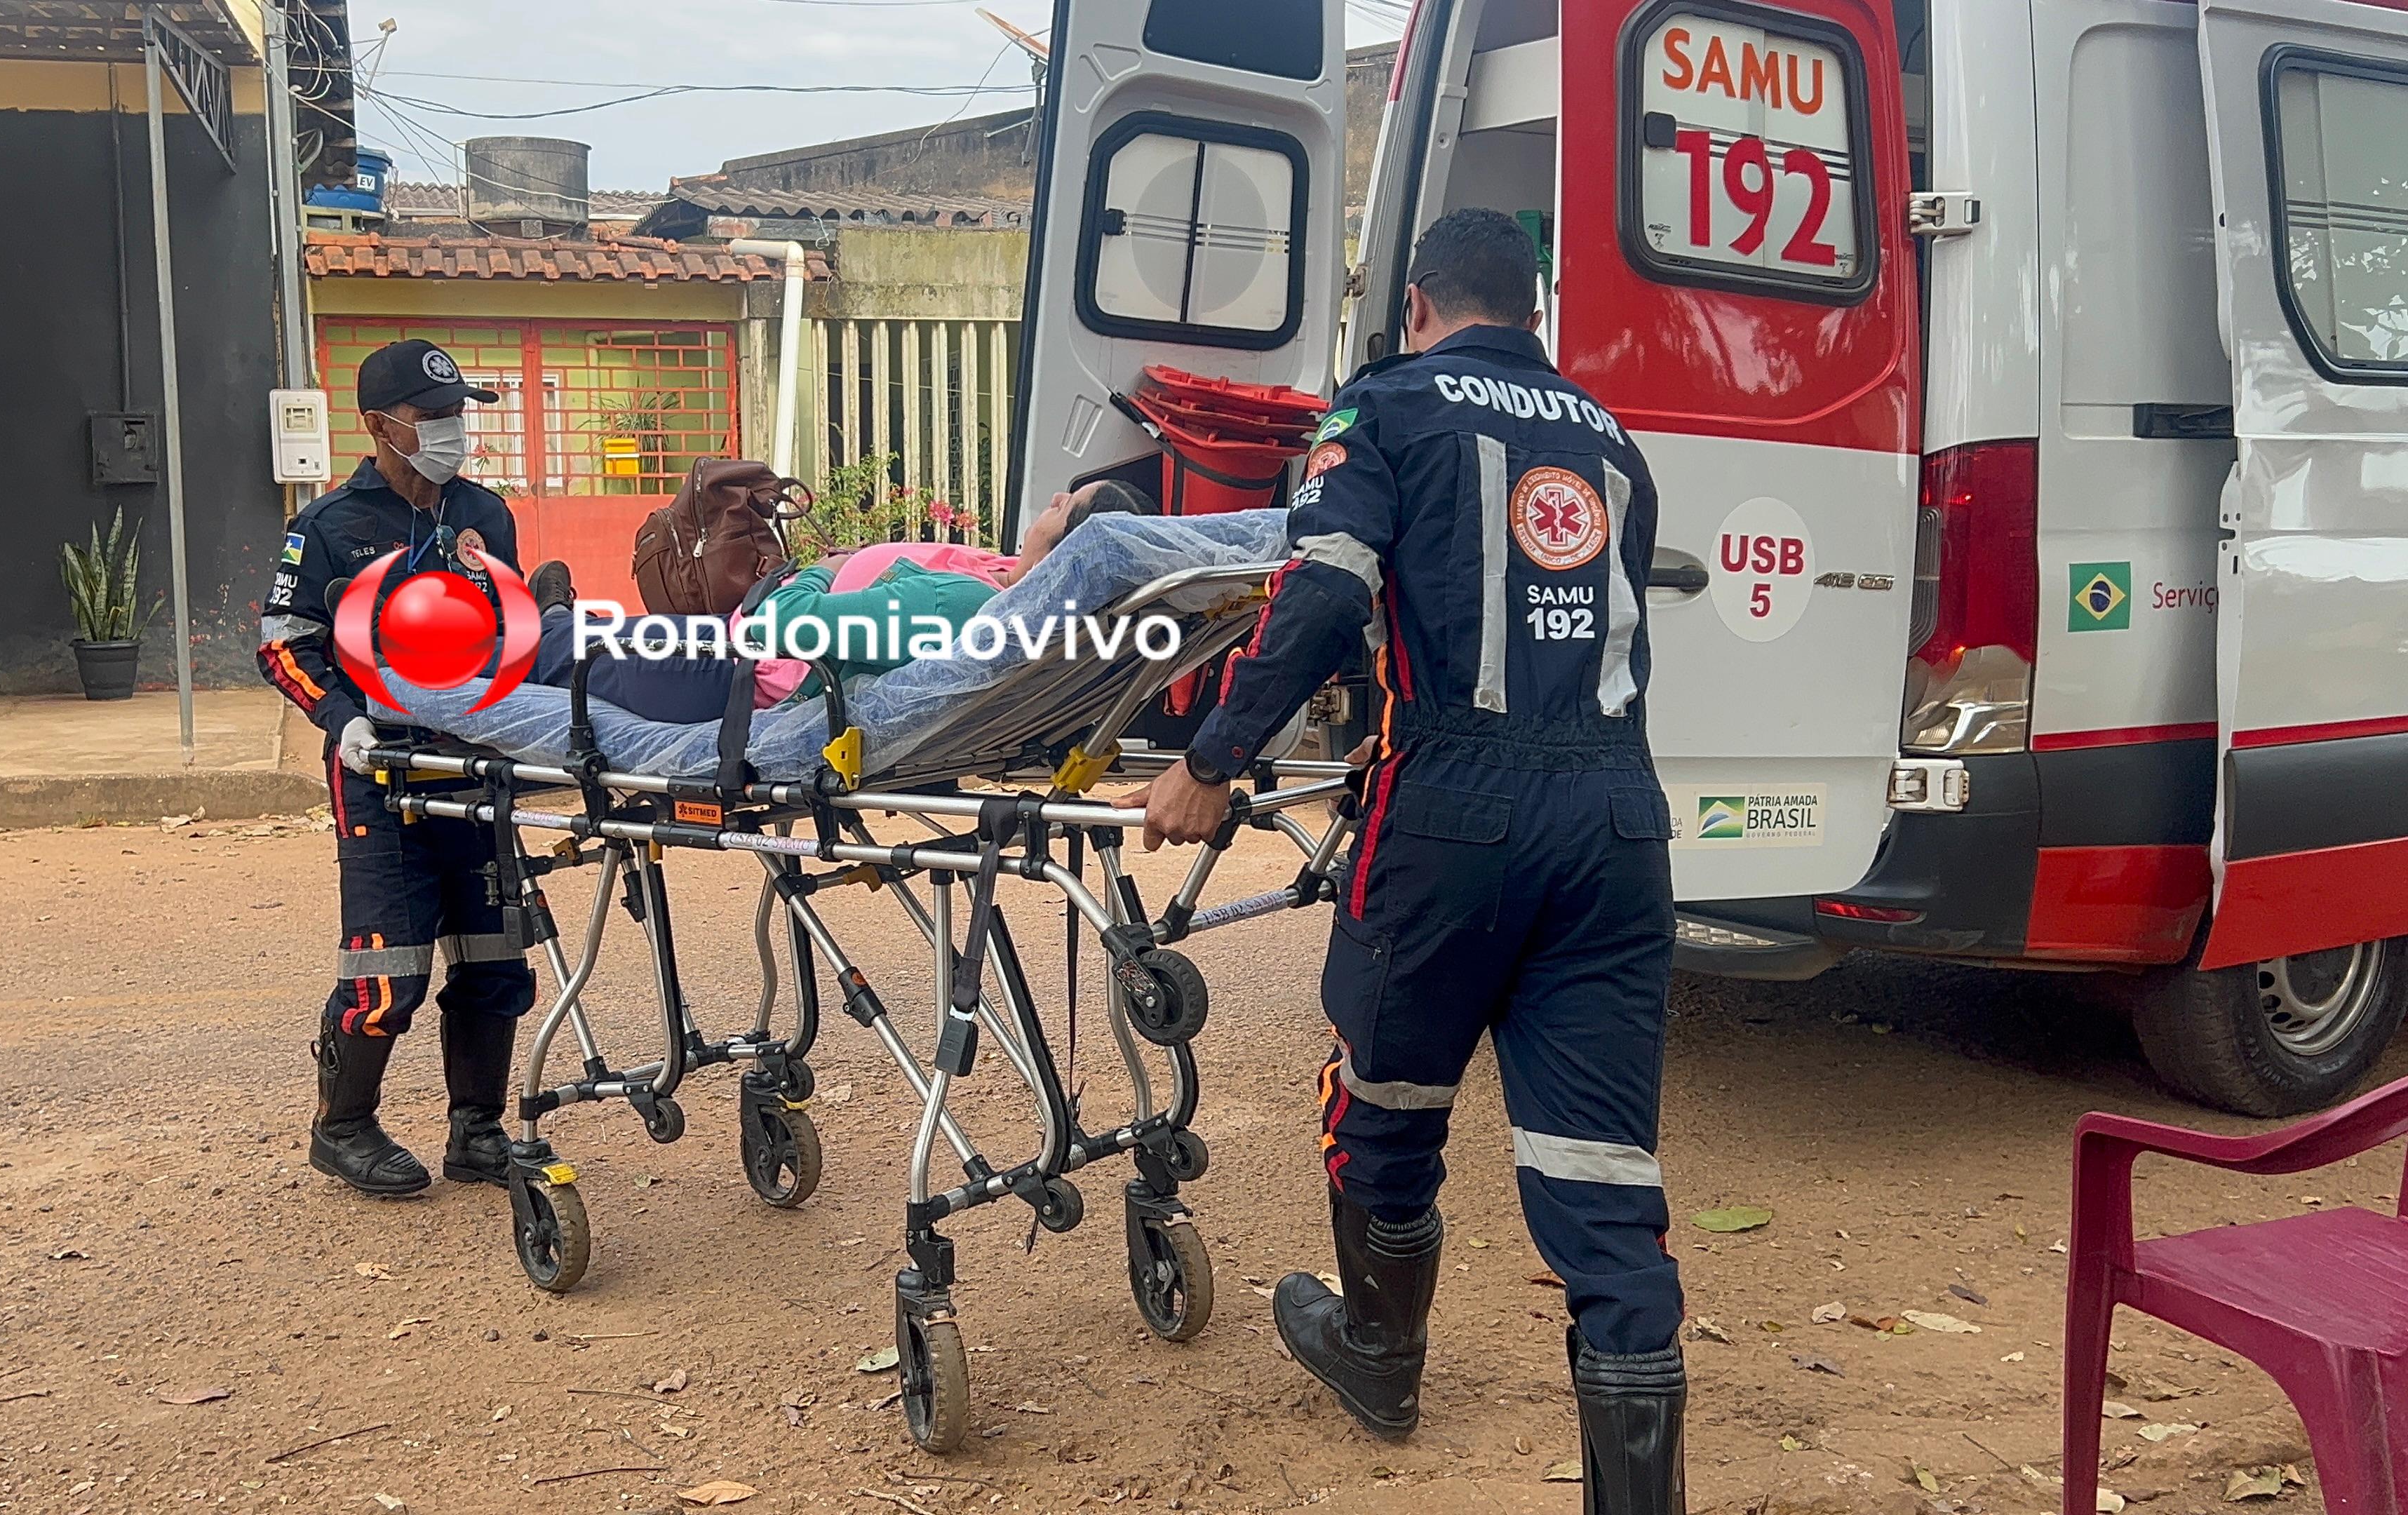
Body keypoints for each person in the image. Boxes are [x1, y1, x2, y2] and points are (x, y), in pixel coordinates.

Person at [1140, 209, 1688, 1509]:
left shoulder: (1383, 409)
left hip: (1453, 811)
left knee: (1384, 1102)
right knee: (1603, 1176)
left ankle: (1381, 1354)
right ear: (1532, 307)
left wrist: (1213, 758)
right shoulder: (1609, 438)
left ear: (1422, 307)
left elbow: (1325, 588)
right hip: (1619, 823)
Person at [257, 338, 535, 1199]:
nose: (454, 428)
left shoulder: (486, 515)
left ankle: (477, 1130)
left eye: (460, 413)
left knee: (496, 961)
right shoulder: (328, 528)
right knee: (387, 973)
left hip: (476, 770)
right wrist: (339, 719)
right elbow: (284, 645)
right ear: (380, 426)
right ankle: (343, 1127)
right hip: (379, 776)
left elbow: (513, 632)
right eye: (433, 415)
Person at [518, 480, 1156, 723]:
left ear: (1068, 551)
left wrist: (819, 574)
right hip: (735, 643)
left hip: (735, 672)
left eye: (1065, 505)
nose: (1052, 498)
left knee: (556, 655)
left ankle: (534, 624)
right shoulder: (1003, 579)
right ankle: (556, 616)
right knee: (594, 635)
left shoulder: (963, 607)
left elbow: (784, 623)